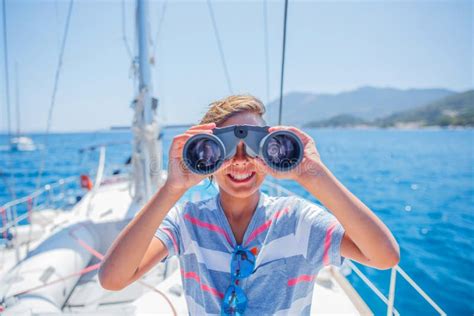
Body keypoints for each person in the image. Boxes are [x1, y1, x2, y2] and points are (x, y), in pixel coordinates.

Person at [98, 95, 400, 315]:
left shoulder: (298, 220)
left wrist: (314, 176)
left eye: (255, 149)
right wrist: (172, 188)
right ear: (205, 157)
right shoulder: (186, 221)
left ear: (272, 154)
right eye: (224, 149)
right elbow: (113, 279)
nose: (241, 161)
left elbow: (384, 257)